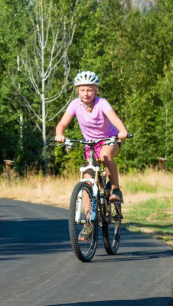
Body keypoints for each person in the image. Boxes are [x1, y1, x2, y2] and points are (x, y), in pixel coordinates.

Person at [54, 71, 128, 240]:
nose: (86, 93)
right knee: (87, 179)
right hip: (90, 144)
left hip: (110, 140)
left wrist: (122, 131)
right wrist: (60, 134)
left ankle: (115, 189)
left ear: (95, 90)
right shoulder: (74, 105)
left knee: (105, 155)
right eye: (82, 90)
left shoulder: (102, 103)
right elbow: (62, 123)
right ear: (77, 91)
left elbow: (114, 119)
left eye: (89, 90)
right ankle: (88, 223)